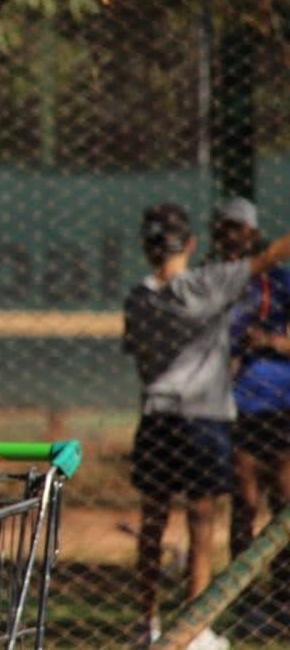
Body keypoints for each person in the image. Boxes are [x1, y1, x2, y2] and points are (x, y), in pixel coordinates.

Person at [123, 202, 290, 649]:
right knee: (201, 521)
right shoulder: (207, 284)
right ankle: (194, 629)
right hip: (203, 418)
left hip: (157, 415)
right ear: (192, 243)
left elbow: (137, 352)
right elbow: (265, 259)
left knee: (153, 521)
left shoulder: (138, 298)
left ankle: (146, 622)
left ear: (146, 247)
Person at [214, 198, 290, 630]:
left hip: (282, 402)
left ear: (253, 234)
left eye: (238, 228)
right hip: (237, 404)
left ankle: (283, 597)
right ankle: (241, 602)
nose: (230, 236)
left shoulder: (278, 282)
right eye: (224, 228)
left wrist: (273, 343)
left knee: (284, 499)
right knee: (244, 502)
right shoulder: (211, 281)